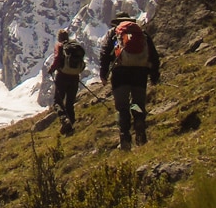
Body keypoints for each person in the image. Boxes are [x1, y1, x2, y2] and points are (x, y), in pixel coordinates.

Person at [99, 12, 160, 150]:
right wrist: (154, 75)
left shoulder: (114, 33)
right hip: (140, 73)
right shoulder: (142, 34)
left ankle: (125, 137)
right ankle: (139, 125)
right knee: (137, 103)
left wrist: (103, 74)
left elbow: (104, 53)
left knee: (122, 107)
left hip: (120, 73)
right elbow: (153, 55)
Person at [46, 29, 84, 135]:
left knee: (57, 101)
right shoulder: (76, 46)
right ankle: (71, 127)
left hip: (62, 77)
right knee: (70, 103)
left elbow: (57, 58)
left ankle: (64, 120)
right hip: (75, 77)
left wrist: (52, 69)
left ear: (59, 38)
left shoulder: (60, 46)